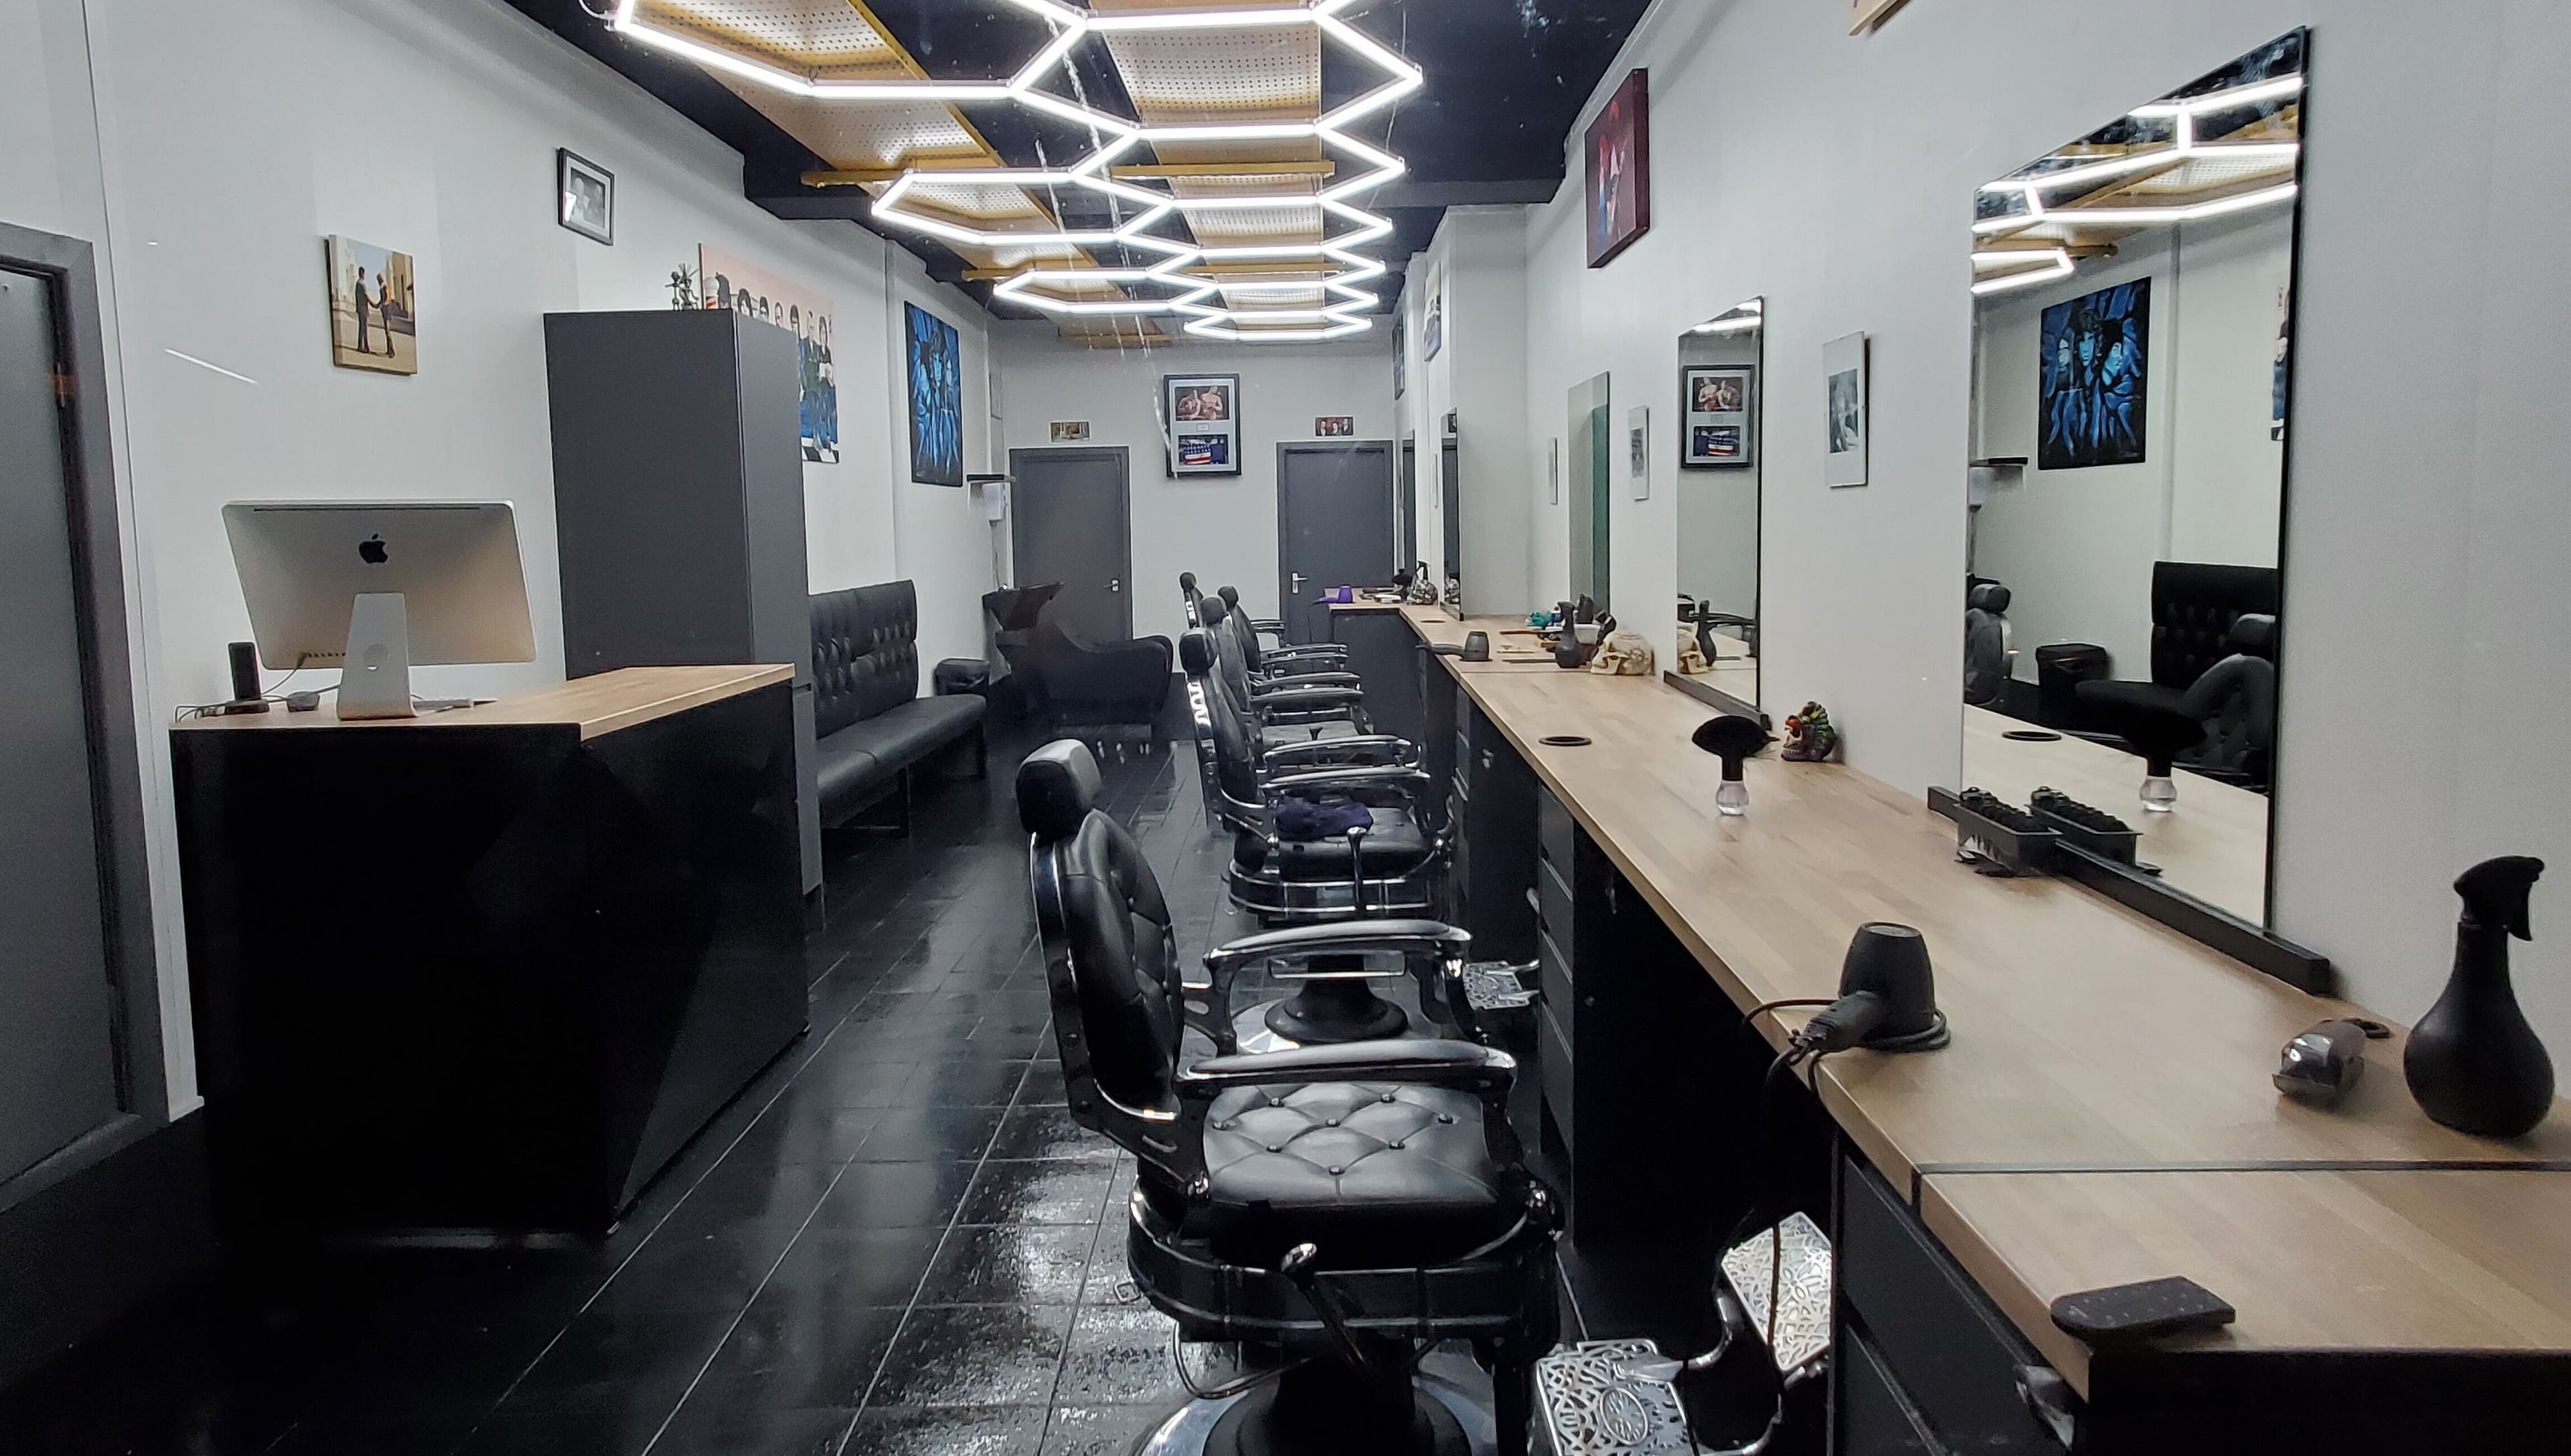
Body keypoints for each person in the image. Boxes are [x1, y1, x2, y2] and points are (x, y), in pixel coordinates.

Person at [350, 265, 373, 355]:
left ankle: (360, 346)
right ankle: (366, 347)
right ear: (362, 274)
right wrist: (374, 304)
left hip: (360, 309)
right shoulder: (362, 284)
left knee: (361, 328)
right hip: (364, 309)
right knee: (365, 328)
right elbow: (366, 296)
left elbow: (357, 297)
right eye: (363, 273)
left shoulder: (357, 283)